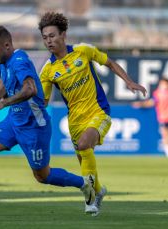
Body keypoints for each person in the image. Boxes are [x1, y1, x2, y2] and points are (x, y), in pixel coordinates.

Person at [0, 25, 96, 219]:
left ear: (7, 45)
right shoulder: (4, 60)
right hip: (13, 122)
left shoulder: (19, 61)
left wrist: (4, 103)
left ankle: (84, 183)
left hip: (34, 127)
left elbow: (31, 89)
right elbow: (4, 80)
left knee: (43, 176)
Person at [37, 12, 147, 216]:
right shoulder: (48, 70)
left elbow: (110, 63)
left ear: (63, 35)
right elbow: (42, 101)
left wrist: (129, 81)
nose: (48, 41)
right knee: (84, 154)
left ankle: (89, 201)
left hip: (98, 112)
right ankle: (98, 191)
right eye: (44, 37)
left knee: (85, 144)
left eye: (52, 36)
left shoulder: (83, 51)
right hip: (75, 122)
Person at [132, 77, 168, 157]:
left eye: (164, 83)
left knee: (165, 135)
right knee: (165, 135)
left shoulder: (159, 93)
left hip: (164, 117)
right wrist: (140, 104)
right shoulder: (158, 93)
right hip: (163, 118)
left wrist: (140, 104)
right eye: (161, 83)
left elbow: (151, 102)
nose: (162, 85)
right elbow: (152, 102)